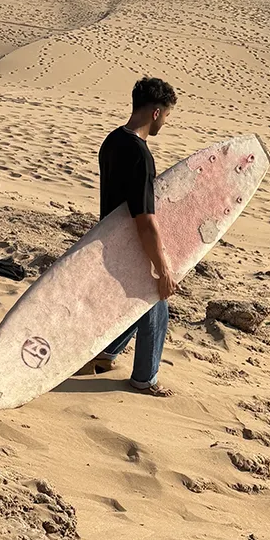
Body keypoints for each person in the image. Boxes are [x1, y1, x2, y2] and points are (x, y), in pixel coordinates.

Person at [91, 77, 178, 397]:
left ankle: (107, 353)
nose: (165, 123)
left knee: (135, 303)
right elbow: (144, 219)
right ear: (156, 113)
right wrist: (163, 268)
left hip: (107, 239)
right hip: (129, 243)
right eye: (167, 116)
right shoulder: (141, 156)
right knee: (155, 301)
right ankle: (145, 378)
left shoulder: (112, 140)